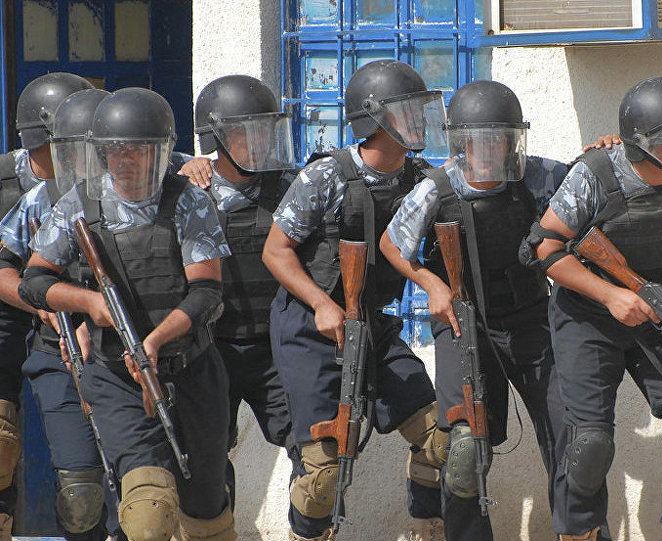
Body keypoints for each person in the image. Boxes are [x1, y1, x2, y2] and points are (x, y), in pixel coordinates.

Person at [522, 76, 662, 541]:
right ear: (643, 146)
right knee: (589, 443)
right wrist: (610, 295)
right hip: (587, 317)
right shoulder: (596, 175)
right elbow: (546, 249)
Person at [18, 87, 236, 541]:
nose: (127, 161)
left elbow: (207, 292)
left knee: (206, 513)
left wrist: (154, 342)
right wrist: (89, 304)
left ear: (161, 153)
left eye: (139, 151)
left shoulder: (188, 201)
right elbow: (34, 281)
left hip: (191, 371)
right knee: (146, 512)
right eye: (116, 151)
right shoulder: (79, 204)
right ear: (102, 154)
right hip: (115, 377)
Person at [262, 59, 448, 541]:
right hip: (310, 326)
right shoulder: (326, 176)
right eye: (408, 111)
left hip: (370, 324)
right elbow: (276, 251)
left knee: (439, 437)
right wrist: (321, 304)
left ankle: (427, 525)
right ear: (375, 120)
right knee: (323, 471)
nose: (419, 121)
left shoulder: (421, 179)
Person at [380, 80, 568, 541]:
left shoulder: (539, 175)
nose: (486, 151)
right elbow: (391, 244)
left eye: (497, 140)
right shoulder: (435, 188)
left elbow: (592, 184)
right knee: (463, 449)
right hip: (460, 321)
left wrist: (607, 146)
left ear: (511, 141)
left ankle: (581, 532)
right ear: (461, 143)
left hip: (529, 318)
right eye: (476, 141)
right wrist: (432, 286)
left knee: (573, 434)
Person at [188, 74, 299, 511]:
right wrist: (179, 171)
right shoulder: (186, 192)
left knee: (316, 453)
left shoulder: (292, 187)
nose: (259, 142)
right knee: (207, 462)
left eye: (265, 131)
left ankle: (309, 532)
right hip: (210, 348)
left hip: (277, 347)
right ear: (216, 138)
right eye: (246, 133)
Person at [0, 72, 94, 540]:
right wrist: (39, 303)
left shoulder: (121, 178)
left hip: (76, 326)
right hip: (13, 318)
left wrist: (197, 166)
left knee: (93, 479)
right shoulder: (14, 183)